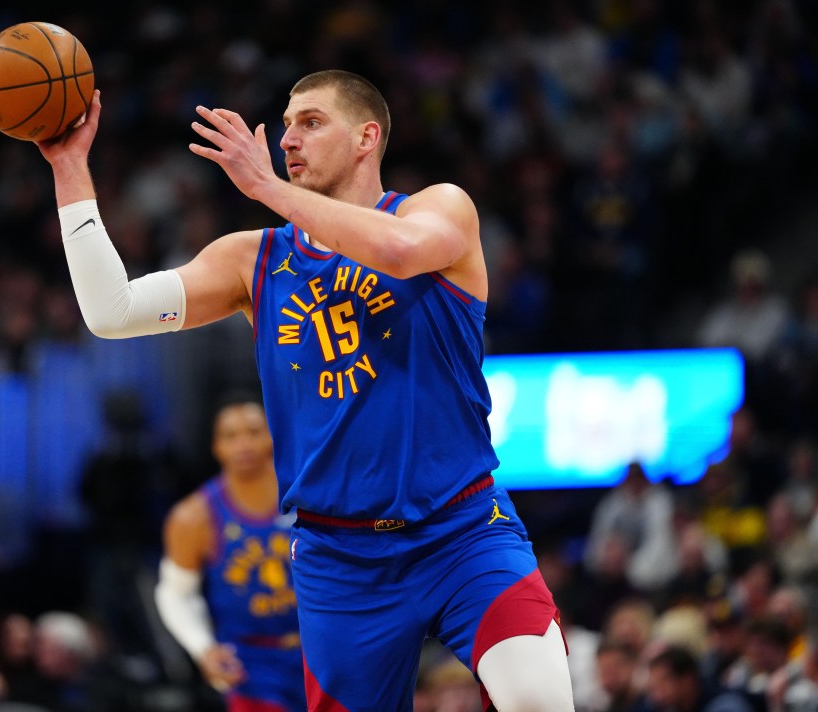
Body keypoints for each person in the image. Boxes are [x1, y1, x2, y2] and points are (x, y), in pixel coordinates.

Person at [38, 69, 573, 710]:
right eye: (286, 124)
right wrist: (70, 167)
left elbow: (400, 253)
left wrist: (263, 187)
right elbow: (112, 312)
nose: (288, 138)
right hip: (339, 558)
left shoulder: (437, 208)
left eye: (310, 122)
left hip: (461, 529)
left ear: (366, 137)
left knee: (540, 699)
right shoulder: (253, 259)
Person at [154, 398, 304, 712]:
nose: (243, 444)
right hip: (252, 664)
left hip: (320, 652)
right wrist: (203, 648)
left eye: (253, 432)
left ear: (273, 437)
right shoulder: (193, 517)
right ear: (216, 447)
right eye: (230, 436)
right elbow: (174, 594)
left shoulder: (307, 496)